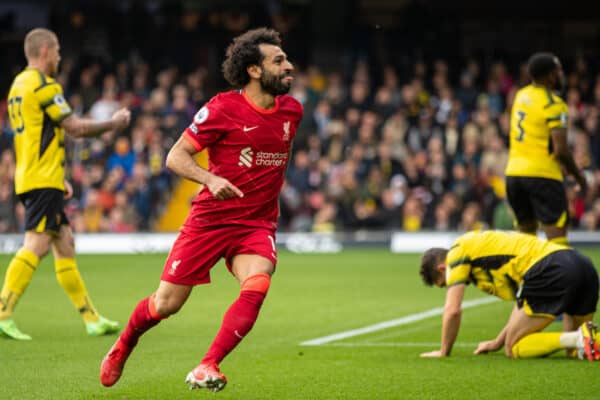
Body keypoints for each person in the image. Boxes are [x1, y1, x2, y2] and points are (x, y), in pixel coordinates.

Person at [100, 27, 303, 392]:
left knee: (258, 281)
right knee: (165, 304)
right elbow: (175, 156)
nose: (289, 66)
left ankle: (208, 364)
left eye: (286, 58)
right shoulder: (222, 108)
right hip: (210, 221)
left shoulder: (292, 111)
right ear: (254, 70)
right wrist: (209, 180)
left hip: (256, 224)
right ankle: (124, 343)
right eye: (279, 60)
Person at [0, 28, 131, 340]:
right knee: (37, 244)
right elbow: (75, 128)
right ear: (45, 50)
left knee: (65, 244)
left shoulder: (18, 84)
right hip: (42, 178)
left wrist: (59, 178)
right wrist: (114, 123)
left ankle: (91, 318)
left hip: (37, 175)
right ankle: (3, 312)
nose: (59, 56)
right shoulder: (43, 85)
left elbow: (37, 135)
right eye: (57, 50)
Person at [419, 230, 599, 361]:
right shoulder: (482, 251)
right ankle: (579, 338)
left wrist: (444, 351)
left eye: (444, 283)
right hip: (581, 264)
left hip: (549, 269)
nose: (450, 286)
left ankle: (577, 337)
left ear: (442, 269)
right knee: (579, 350)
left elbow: (453, 310)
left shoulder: (456, 254)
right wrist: (497, 342)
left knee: (513, 347)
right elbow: (522, 305)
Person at [505, 52, 587, 246]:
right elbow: (561, 150)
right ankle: (561, 276)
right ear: (550, 75)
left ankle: (527, 277)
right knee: (557, 243)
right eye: (559, 71)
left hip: (514, 175)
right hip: (543, 176)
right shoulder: (555, 105)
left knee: (526, 243)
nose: (561, 76)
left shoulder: (520, 95)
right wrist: (579, 177)